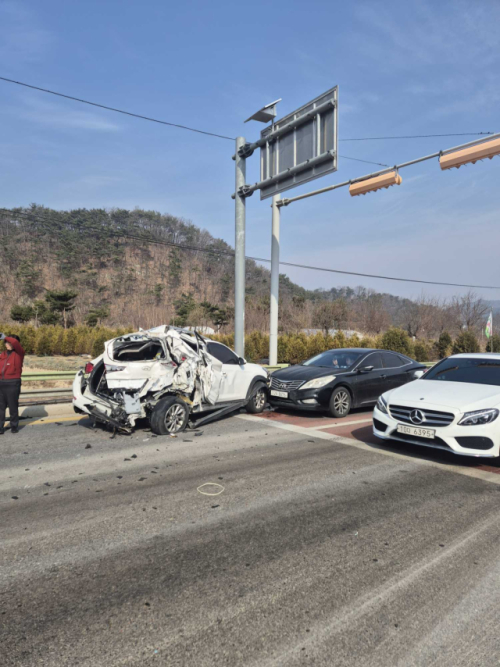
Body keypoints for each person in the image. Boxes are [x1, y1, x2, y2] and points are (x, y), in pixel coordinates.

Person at [0, 333, 25, 434]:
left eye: (9, 342)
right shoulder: (2, 354)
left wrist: (4, 337)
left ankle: (14, 425)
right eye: (6, 342)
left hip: (13, 383)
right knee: (0, 407)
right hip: (1, 383)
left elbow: (14, 342)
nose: (8, 344)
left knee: (13, 406)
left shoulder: (19, 353)